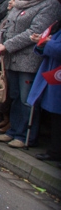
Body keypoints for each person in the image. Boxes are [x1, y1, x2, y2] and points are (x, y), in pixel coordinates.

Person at [0, 0, 61, 148]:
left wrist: (8, 45)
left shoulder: (50, 4)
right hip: (11, 57)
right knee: (14, 96)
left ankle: (25, 135)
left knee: (26, 99)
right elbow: (7, 25)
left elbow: (34, 31)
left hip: (28, 59)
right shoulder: (21, 2)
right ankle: (14, 130)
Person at [28, 27, 61, 162]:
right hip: (53, 73)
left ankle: (55, 152)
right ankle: (54, 151)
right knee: (56, 118)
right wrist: (41, 42)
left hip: (57, 74)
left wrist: (48, 42)